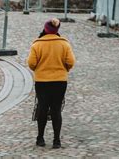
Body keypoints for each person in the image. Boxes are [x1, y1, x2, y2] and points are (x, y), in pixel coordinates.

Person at [27, 18, 76, 149]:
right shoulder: (64, 44)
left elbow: (31, 63)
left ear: (45, 29)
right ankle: (56, 140)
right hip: (60, 82)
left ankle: (40, 138)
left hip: (42, 82)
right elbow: (71, 62)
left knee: (42, 108)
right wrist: (64, 69)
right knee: (56, 109)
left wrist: (39, 70)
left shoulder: (37, 44)